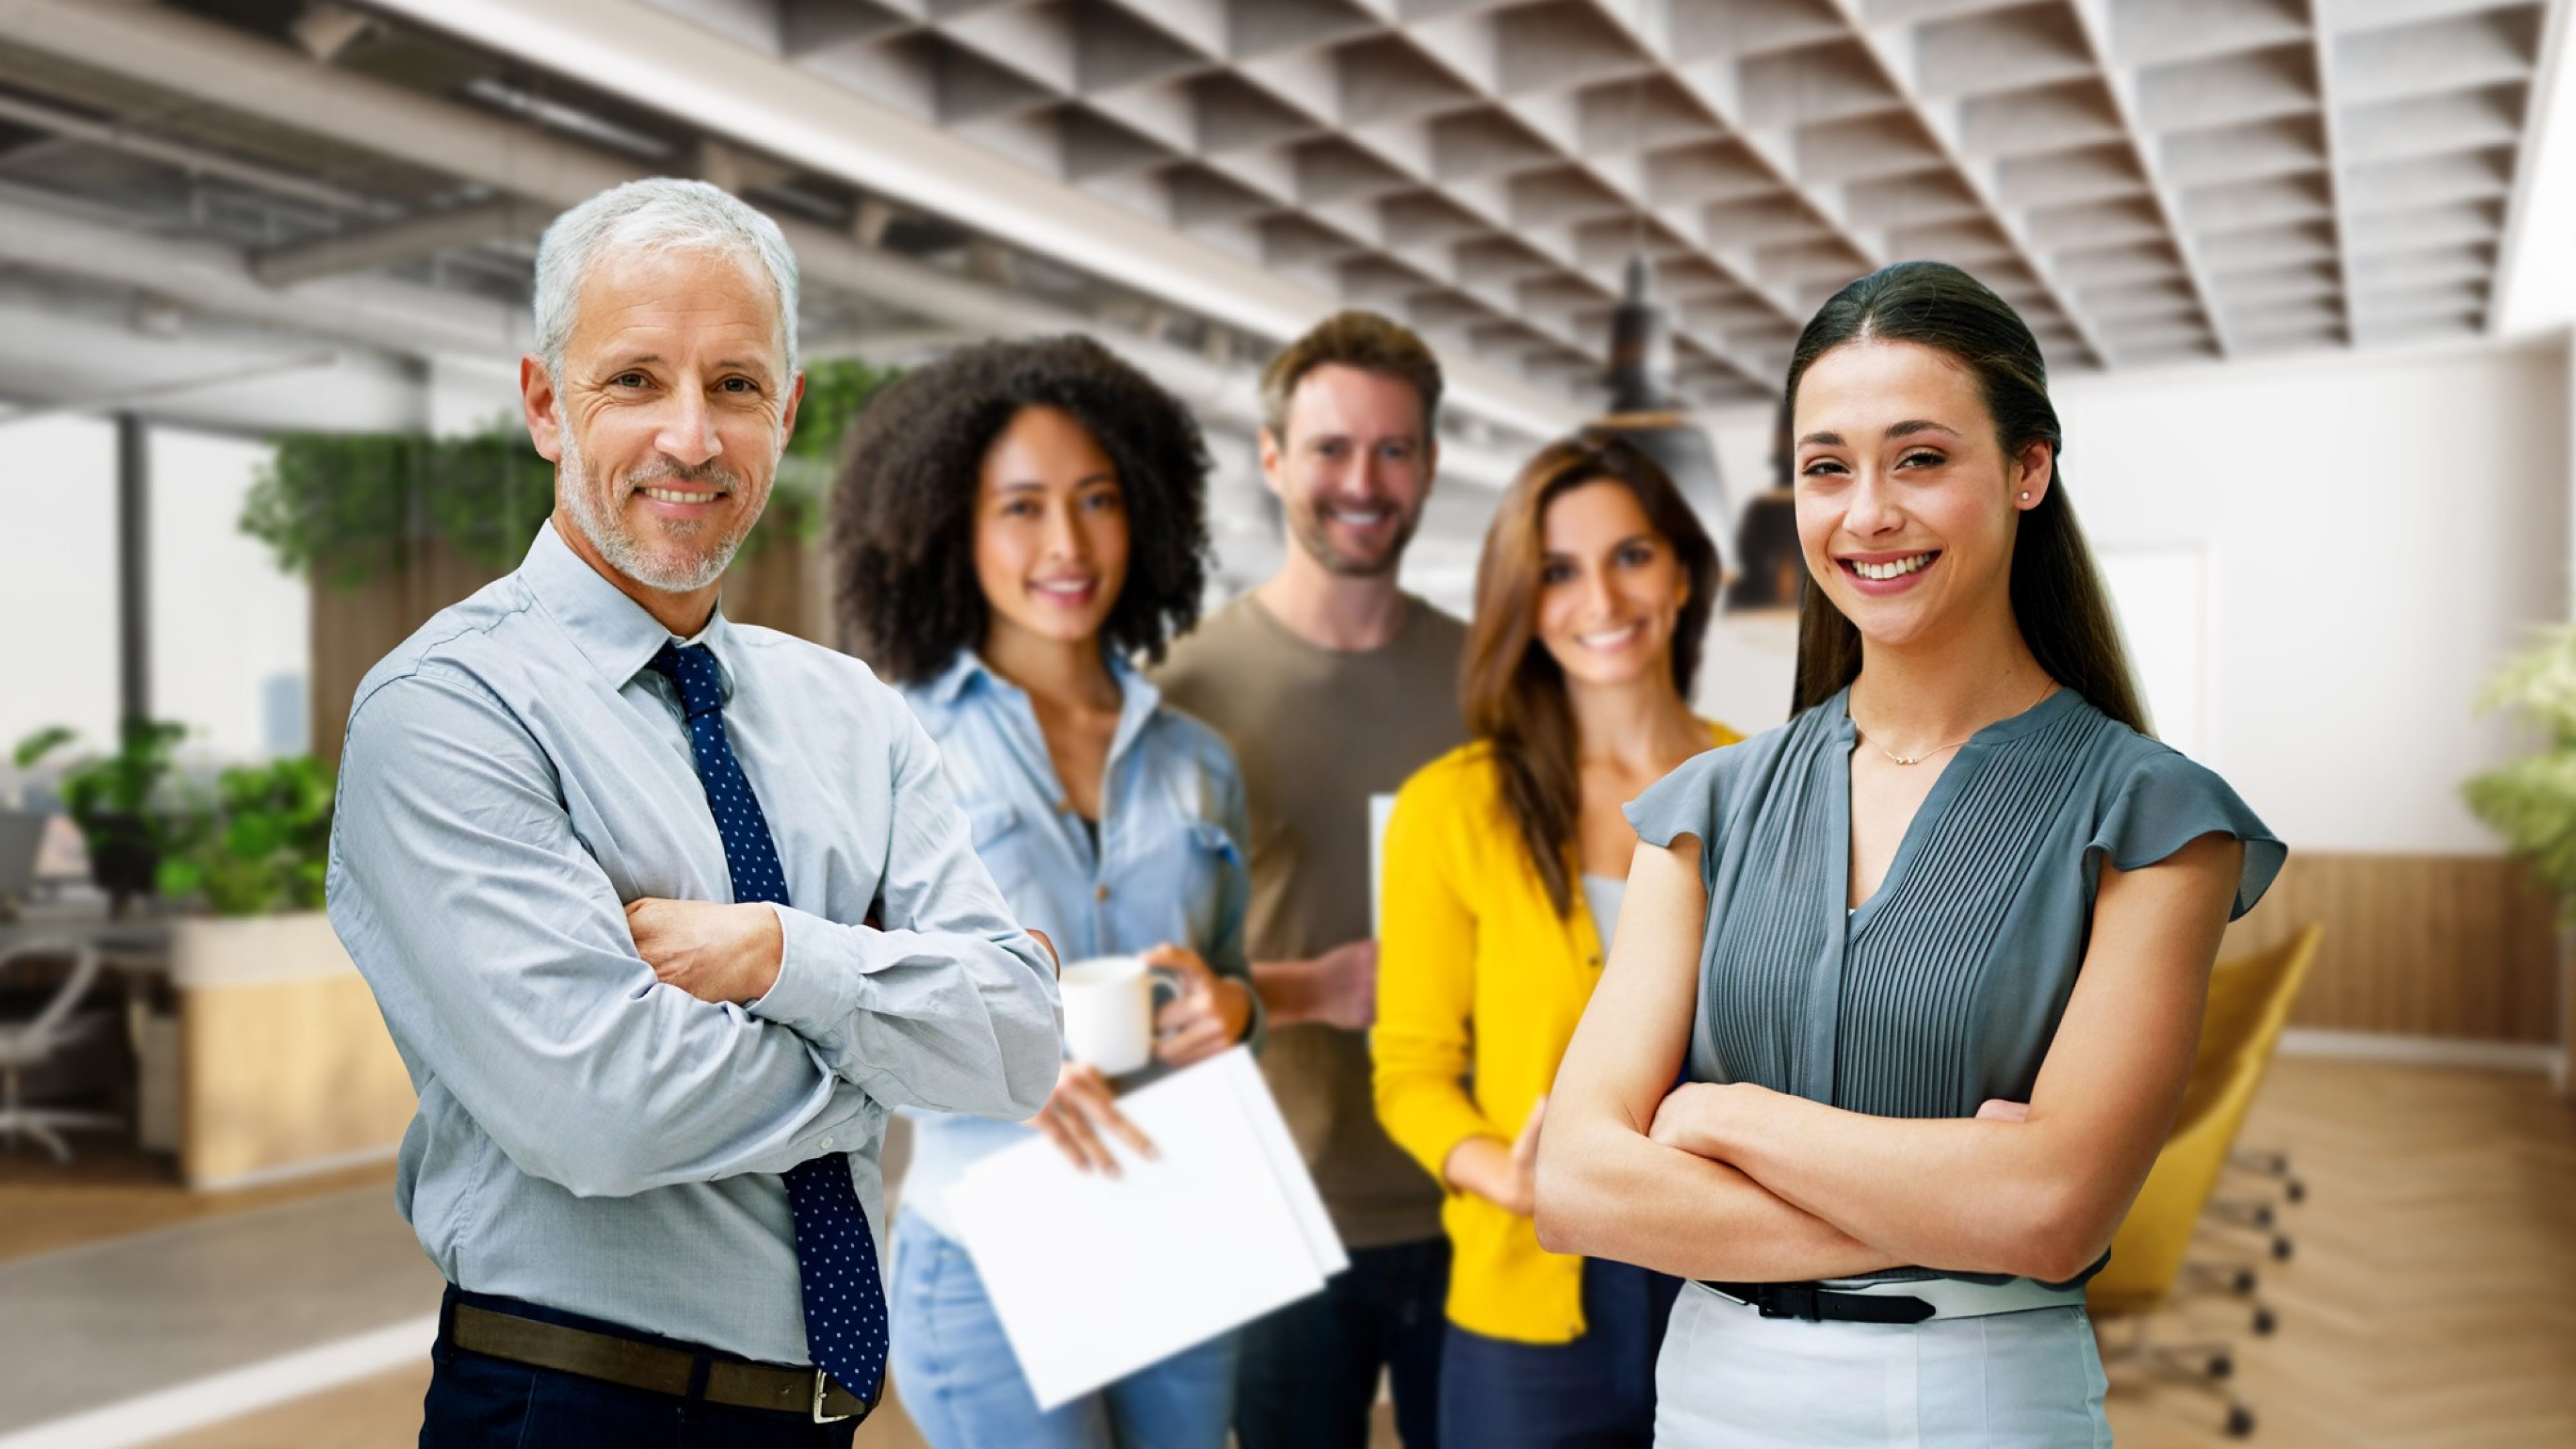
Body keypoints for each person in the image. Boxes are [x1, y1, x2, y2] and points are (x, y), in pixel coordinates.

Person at [327, 178, 1062, 1449]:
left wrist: (782, 956)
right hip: (571, 1410)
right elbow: (601, 1111)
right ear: (548, 406)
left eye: (733, 385)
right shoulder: (449, 711)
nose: (690, 437)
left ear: (785, 412)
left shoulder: (855, 713)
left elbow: (1024, 1036)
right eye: (634, 382)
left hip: (822, 1417)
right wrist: (893, 1043)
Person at [1535, 260, 2288, 1444]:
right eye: (1826, 467)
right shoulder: (1704, 810)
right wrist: (1961, 1202)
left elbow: (2050, 1212)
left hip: (1981, 1400)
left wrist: (1720, 1117)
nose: (1867, 513)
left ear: (2028, 470)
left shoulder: (2155, 821)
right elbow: (1575, 1184)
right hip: (1715, 1393)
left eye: (1921, 458)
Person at [831, 335, 1260, 1448]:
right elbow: (836, 1008)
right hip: (991, 1247)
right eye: (1020, 507)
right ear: (951, 527)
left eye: (1096, 500)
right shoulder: (886, 745)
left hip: (1180, 1221)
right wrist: (999, 1068)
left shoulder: (1197, 762)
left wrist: (1234, 1009)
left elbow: (1235, 979)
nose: (1066, 544)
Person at [1375, 432, 1737, 1448]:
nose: (1603, 601)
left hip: (1732, 1277)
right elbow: (1410, 1072)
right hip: (1528, 1300)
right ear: (1521, 602)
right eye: (1558, 573)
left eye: (1630, 556)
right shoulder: (1451, 809)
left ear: (1679, 571)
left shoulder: (1768, 784)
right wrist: (1502, 1172)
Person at [1150, 311, 1463, 1449]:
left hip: (1475, 1196)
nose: (1364, 481)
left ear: (1428, 464)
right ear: (1275, 458)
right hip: (1272, 1207)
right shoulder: (1189, 688)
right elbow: (1140, 967)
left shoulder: (1491, 677)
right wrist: (1310, 990)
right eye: (1332, 449)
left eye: (1395, 449)